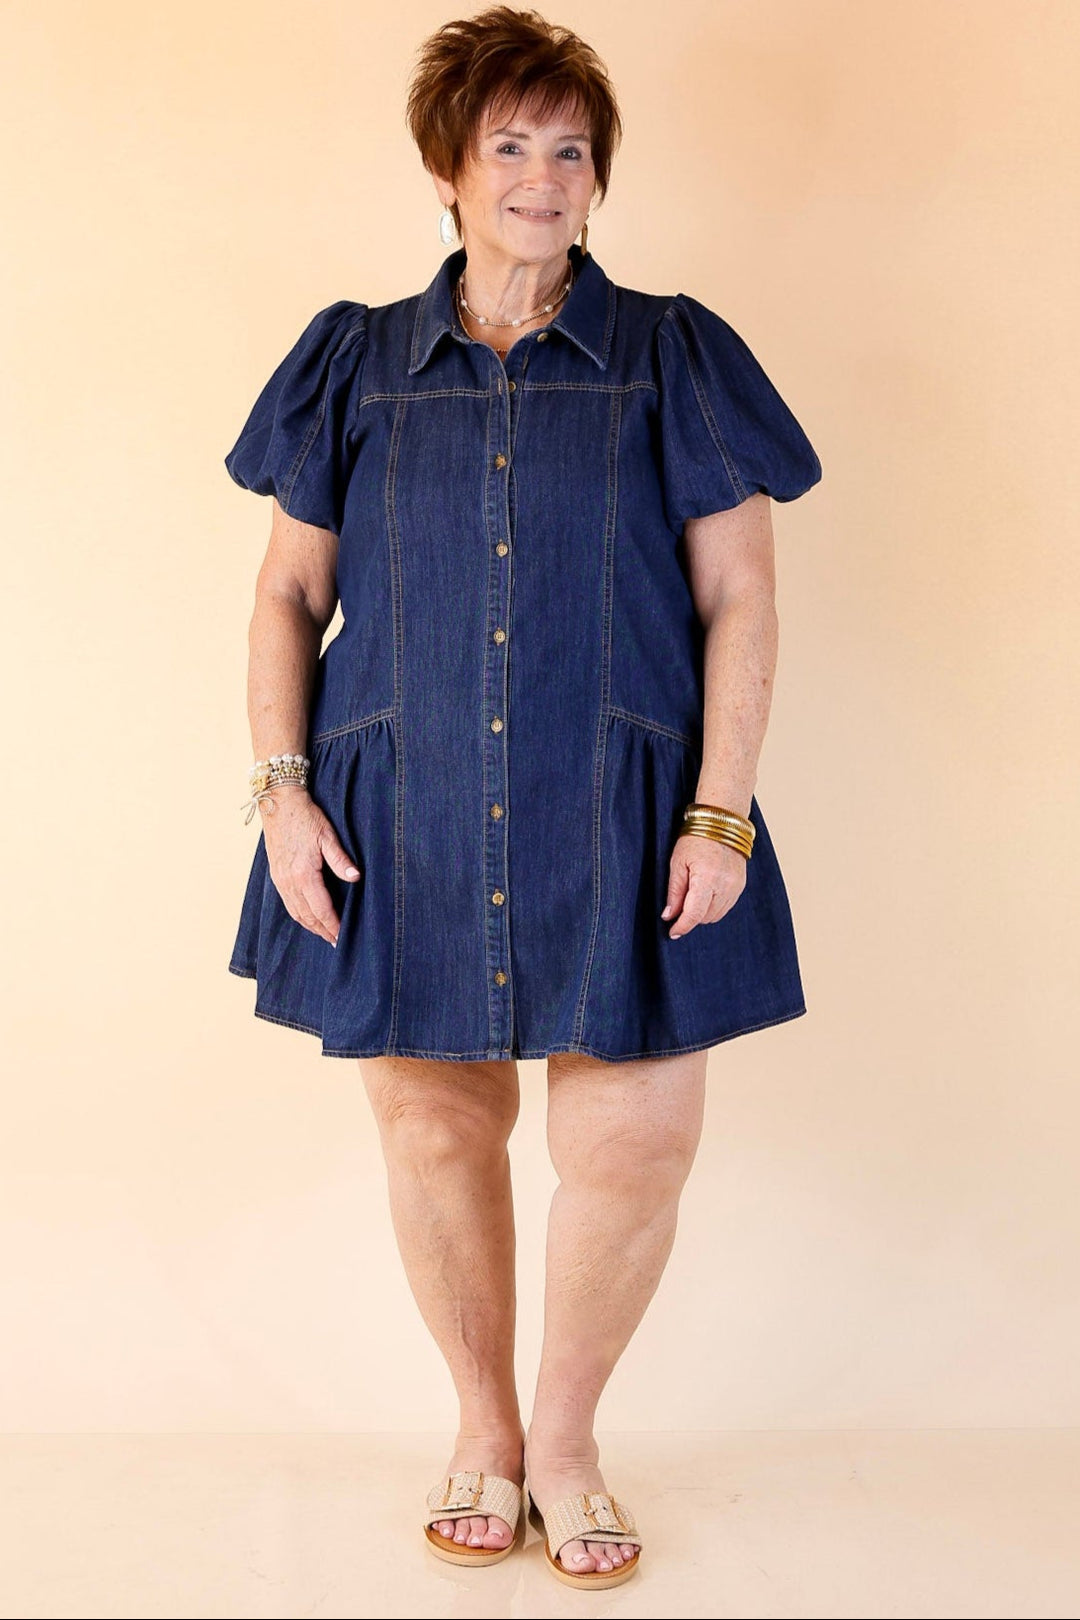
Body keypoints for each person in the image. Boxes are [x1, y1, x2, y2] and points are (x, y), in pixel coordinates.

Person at [223, 4, 821, 1591]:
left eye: (571, 148)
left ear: (598, 175)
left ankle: (565, 1442)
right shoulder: (353, 360)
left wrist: (721, 809)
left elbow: (741, 595)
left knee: (632, 1144)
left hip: (627, 809)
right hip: (400, 811)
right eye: (510, 146)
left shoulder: (675, 353)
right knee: (436, 1129)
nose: (544, 176)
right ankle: (482, 1430)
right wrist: (282, 793)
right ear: (449, 168)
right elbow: (286, 593)